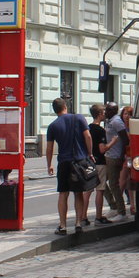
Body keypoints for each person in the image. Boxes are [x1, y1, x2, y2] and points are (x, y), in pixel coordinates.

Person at [45, 98, 92, 235]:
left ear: (54, 110)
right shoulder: (79, 118)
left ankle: (63, 225)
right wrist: (89, 153)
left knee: (63, 193)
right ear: (65, 106)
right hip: (79, 161)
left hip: (64, 162)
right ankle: (78, 223)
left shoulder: (52, 126)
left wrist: (49, 164)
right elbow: (88, 136)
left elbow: (49, 148)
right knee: (78, 192)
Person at [88, 103, 115, 224]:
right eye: (104, 112)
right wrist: (113, 142)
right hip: (99, 162)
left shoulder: (88, 128)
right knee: (100, 190)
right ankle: (98, 217)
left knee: (87, 191)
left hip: (89, 162)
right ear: (100, 114)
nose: (105, 114)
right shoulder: (100, 130)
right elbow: (102, 149)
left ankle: (83, 217)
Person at [100, 102, 127, 220]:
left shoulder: (116, 121)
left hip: (115, 157)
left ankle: (121, 211)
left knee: (113, 184)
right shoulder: (109, 121)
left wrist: (121, 156)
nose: (105, 112)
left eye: (108, 110)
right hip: (109, 155)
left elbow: (125, 139)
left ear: (113, 111)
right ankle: (113, 206)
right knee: (100, 181)